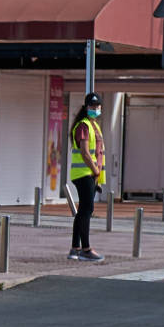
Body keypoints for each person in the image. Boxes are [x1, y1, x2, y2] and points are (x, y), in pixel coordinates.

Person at [68, 92, 107, 262]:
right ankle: (86, 249)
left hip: (88, 175)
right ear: (86, 107)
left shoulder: (94, 125)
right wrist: (95, 170)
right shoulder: (84, 125)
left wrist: (97, 175)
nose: (95, 109)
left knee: (82, 211)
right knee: (86, 211)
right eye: (92, 106)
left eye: (97, 106)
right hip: (84, 173)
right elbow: (84, 152)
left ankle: (75, 249)